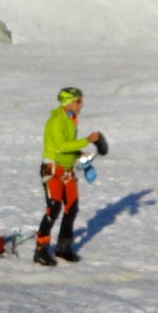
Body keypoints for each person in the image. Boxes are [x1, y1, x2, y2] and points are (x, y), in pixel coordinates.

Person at [36, 85, 100, 267]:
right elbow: (60, 146)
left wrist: (80, 154)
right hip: (52, 171)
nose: (81, 105)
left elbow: (69, 147)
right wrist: (87, 140)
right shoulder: (56, 121)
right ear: (68, 102)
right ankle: (40, 249)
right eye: (78, 101)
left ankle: (63, 247)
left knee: (72, 208)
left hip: (67, 172)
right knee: (53, 209)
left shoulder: (70, 120)